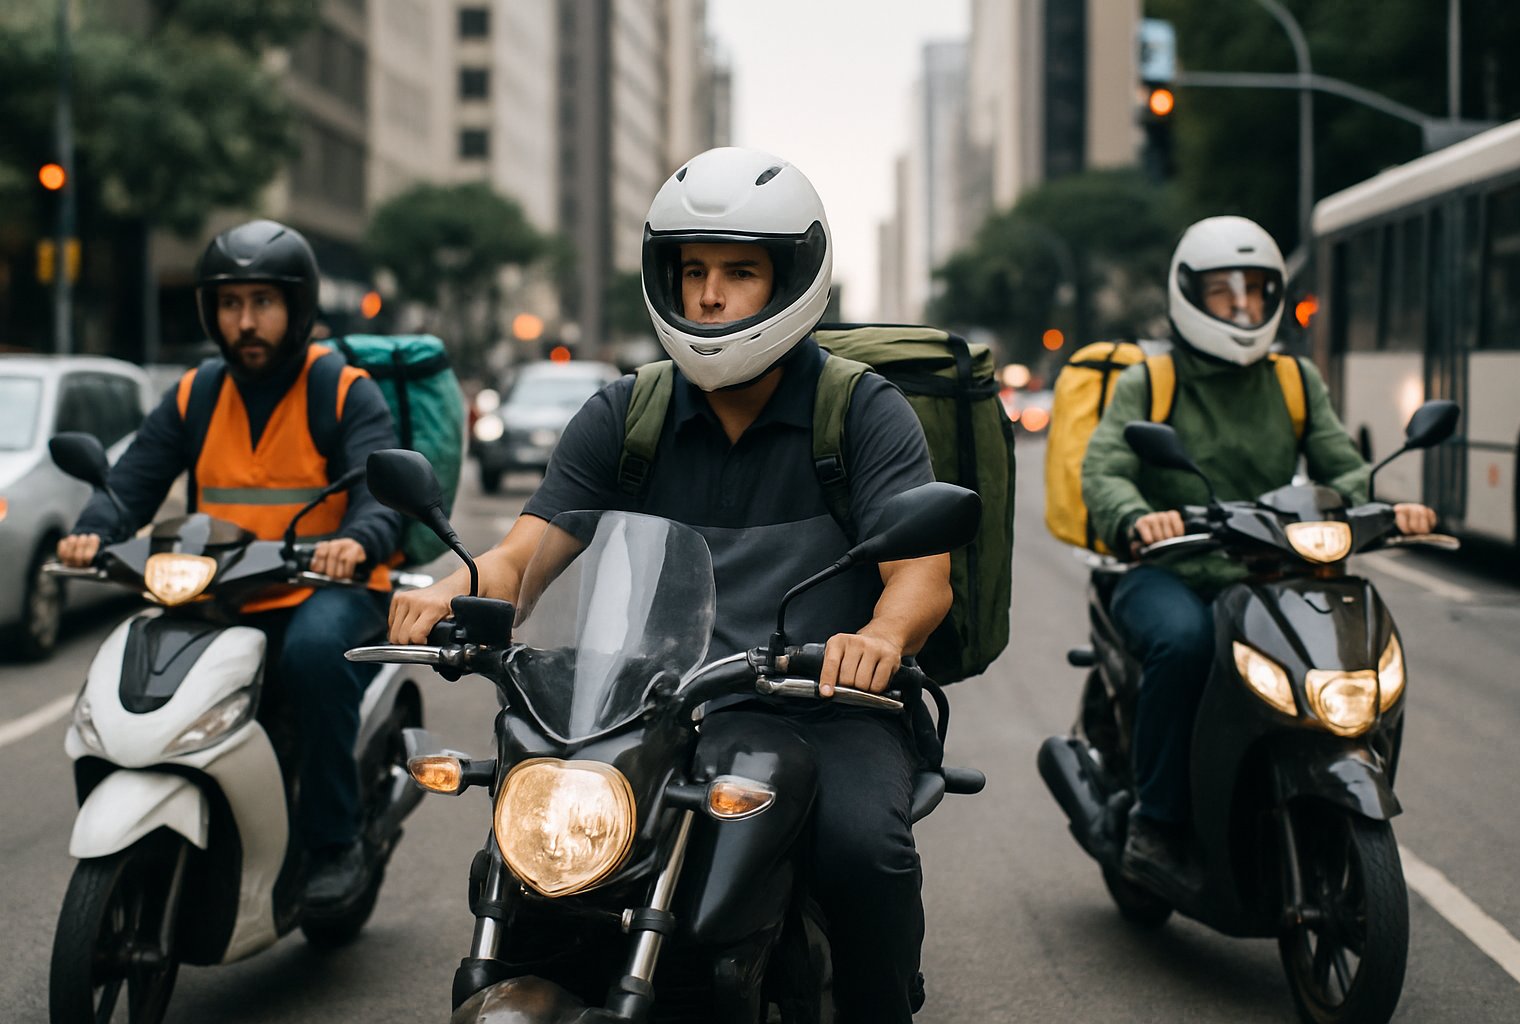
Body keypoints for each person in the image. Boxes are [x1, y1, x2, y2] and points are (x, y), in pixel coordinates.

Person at [389, 147, 948, 1022]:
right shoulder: (627, 413)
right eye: (693, 272)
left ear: (791, 279)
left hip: (819, 704)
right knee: (532, 861)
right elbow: (523, 557)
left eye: (739, 272)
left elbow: (920, 578)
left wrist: (879, 639)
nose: (711, 296)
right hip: (644, 711)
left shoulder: (861, 410)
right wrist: (455, 591)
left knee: (863, 851)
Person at [1080, 215, 1437, 893]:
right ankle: (1155, 821)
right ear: (1189, 294)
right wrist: (1136, 517)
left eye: (1255, 292)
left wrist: (1389, 507)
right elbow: (1105, 470)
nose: (1242, 307)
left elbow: (1343, 466)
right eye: (1224, 294)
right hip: (1173, 571)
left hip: (1276, 573)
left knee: (1346, 647)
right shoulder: (1150, 382)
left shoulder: (1294, 379)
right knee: (1185, 646)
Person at [58, 219, 402, 909]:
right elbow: (132, 480)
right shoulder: (197, 392)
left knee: (309, 655)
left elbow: (380, 490)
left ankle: (333, 845)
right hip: (221, 588)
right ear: (212, 312)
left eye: (263, 303)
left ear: (297, 307)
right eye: (230, 303)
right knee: (142, 651)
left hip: (324, 588)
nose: (246, 321)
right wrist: (93, 531)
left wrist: (359, 538)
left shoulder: (342, 390)